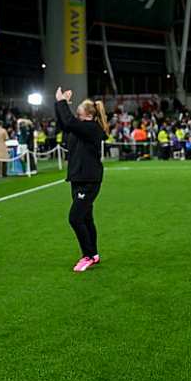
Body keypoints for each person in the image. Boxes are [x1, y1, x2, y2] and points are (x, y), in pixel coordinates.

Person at [54, 87, 109, 272]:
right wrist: (60, 104)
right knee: (85, 218)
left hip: (89, 179)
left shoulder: (92, 128)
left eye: (78, 112)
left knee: (75, 218)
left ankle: (87, 255)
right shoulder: (79, 128)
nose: (75, 114)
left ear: (87, 114)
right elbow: (64, 124)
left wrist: (62, 102)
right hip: (78, 178)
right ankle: (93, 254)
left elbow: (69, 121)